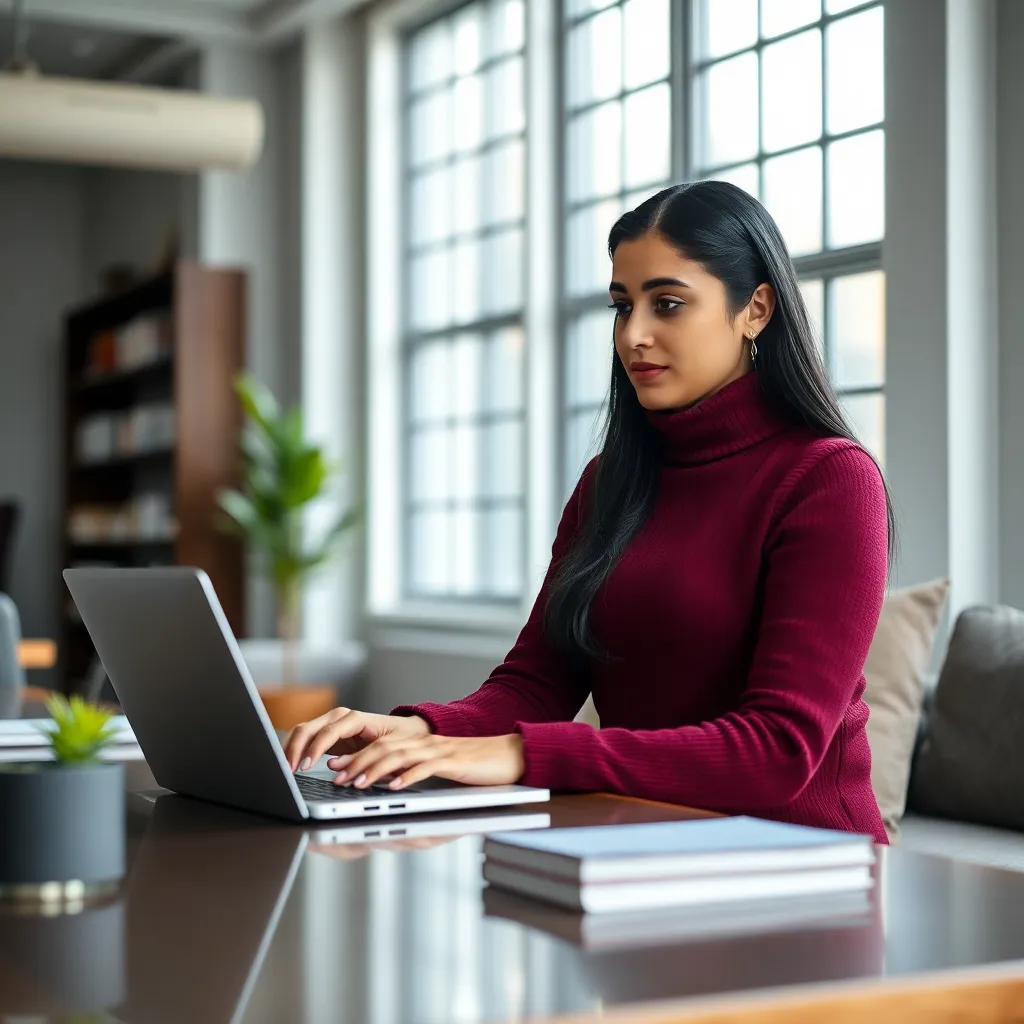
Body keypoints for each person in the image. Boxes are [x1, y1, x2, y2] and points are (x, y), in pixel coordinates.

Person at [285, 180, 895, 844]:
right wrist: (422, 730)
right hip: (645, 843)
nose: (634, 335)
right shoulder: (610, 483)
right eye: (621, 305)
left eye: (667, 304)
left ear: (755, 309)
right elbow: (536, 681)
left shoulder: (829, 479)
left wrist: (525, 753)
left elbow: (778, 750)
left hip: (808, 868)